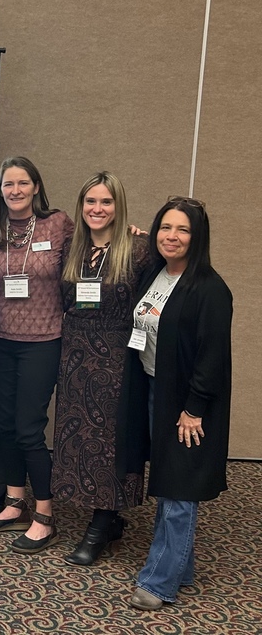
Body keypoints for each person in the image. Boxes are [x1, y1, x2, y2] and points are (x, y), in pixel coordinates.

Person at [120, 197, 232, 610]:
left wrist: (194, 408)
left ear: (198, 236)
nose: (172, 236)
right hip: (155, 389)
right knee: (169, 483)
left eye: (183, 230)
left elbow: (212, 358)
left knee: (178, 489)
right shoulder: (157, 273)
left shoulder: (211, 289)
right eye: (166, 227)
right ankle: (180, 567)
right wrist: (144, 237)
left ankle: (159, 582)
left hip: (187, 406)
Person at [0, 156, 74, 554]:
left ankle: (45, 516)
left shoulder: (58, 224)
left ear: (36, 186)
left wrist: (132, 234)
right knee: (5, 424)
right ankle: (15, 501)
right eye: (7, 184)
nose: (14, 191)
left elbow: (92, 253)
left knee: (29, 428)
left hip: (44, 340)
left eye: (22, 183)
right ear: (0, 191)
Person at [51, 172, 152, 565]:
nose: (98, 209)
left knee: (110, 439)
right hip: (75, 353)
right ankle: (104, 520)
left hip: (117, 355)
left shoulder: (139, 249)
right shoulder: (70, 249)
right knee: (79, 438)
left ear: (118, 206)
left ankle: (102, 521)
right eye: (91, 202)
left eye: (106, 202)